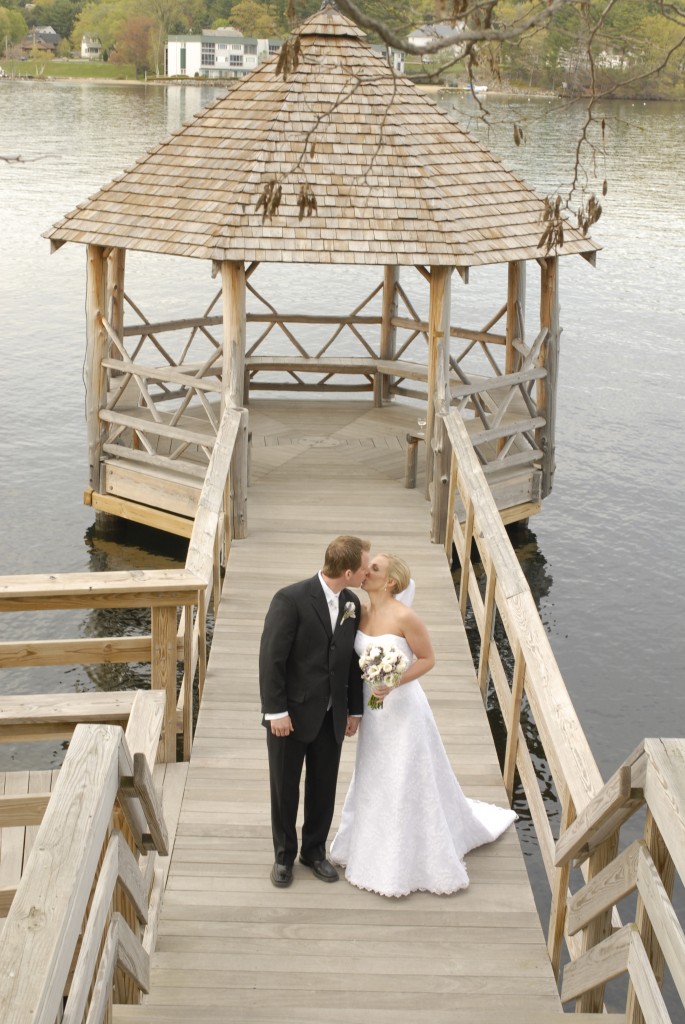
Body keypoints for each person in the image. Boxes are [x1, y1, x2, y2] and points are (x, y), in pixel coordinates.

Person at [330, 553, 517, 897]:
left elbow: (428, 659)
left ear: (391, 583)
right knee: (374, 773)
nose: (366, 570)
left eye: (374, 568)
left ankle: (405, 860)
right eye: (368, 566)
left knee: (403, 775)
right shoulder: (359, 611)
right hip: (373, 712)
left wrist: (394, 679)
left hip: (403, 710)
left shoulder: (405, 617)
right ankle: (367, 843)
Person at [259, 535, 370, 888]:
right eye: (364, 568)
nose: (368, 573)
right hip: (289, 717)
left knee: (324, 786)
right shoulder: (290, 599)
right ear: (349, 570)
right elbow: (271, 660)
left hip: (330, 715)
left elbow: (351, 663)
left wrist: (354, 710)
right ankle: (283, 856)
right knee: (285, 787)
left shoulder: (352, 602)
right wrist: (276, 711)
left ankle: (315, 851)